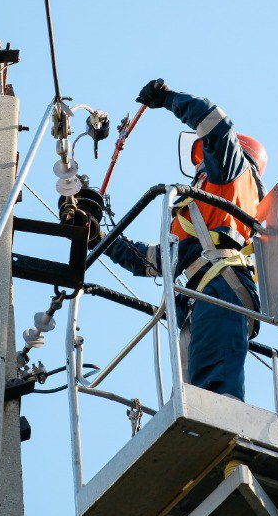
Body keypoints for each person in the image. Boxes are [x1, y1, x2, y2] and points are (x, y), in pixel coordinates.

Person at [107, 79, 267, 400]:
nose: (198, 164)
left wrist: (168, 99)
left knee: (218, 394)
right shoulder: (198, 209)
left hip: (223, 288)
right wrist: (97, 235)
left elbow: (214, 122)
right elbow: (154, 261)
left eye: (202, 155)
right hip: (198, 300)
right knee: (196, 397)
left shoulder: (231, 173)